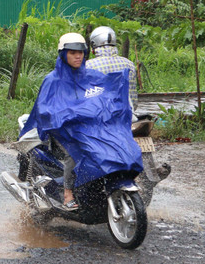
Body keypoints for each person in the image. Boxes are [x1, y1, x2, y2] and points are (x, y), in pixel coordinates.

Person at [20, 32, 141, 211]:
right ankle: (68, 193)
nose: (78, 56)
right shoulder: (53, 80)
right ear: (63, 54)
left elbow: (107, 95)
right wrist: (65, 115)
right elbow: (44, 109)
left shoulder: (93, 76)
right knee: (75, 152)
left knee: (117, 142)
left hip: (89, 128)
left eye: (81, 52)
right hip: (64, 130)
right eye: (73, 53)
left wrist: (116, 105)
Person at [85, 26, 138, 112]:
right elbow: (134, 102)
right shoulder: (130, 64)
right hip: (127, 115)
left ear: (93, 44)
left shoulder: (88, 66)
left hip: (100, 116)